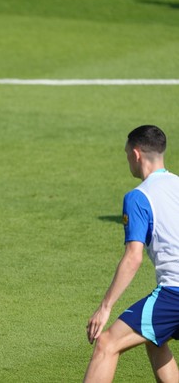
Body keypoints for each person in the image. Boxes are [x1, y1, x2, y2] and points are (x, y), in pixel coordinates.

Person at [84, 125, 179, 382]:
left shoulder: (139, 197)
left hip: (175, 294)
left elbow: (133, 257)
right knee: (154, 338)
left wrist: (105, 307)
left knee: (106, 344)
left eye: (127, 154)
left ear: (136, 155)